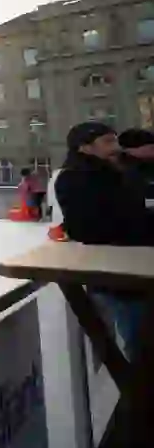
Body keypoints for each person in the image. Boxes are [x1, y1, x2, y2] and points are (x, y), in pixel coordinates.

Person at [55, 121, 153, 360]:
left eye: (115, 140)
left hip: (137, 266)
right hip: (117, 274)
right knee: (141, 343)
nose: (116, 146)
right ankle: (143, 390)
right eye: (108, 141)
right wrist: (139, 226)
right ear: (85, 148)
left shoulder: (115, 172)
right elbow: (87, 230)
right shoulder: (74, 179)